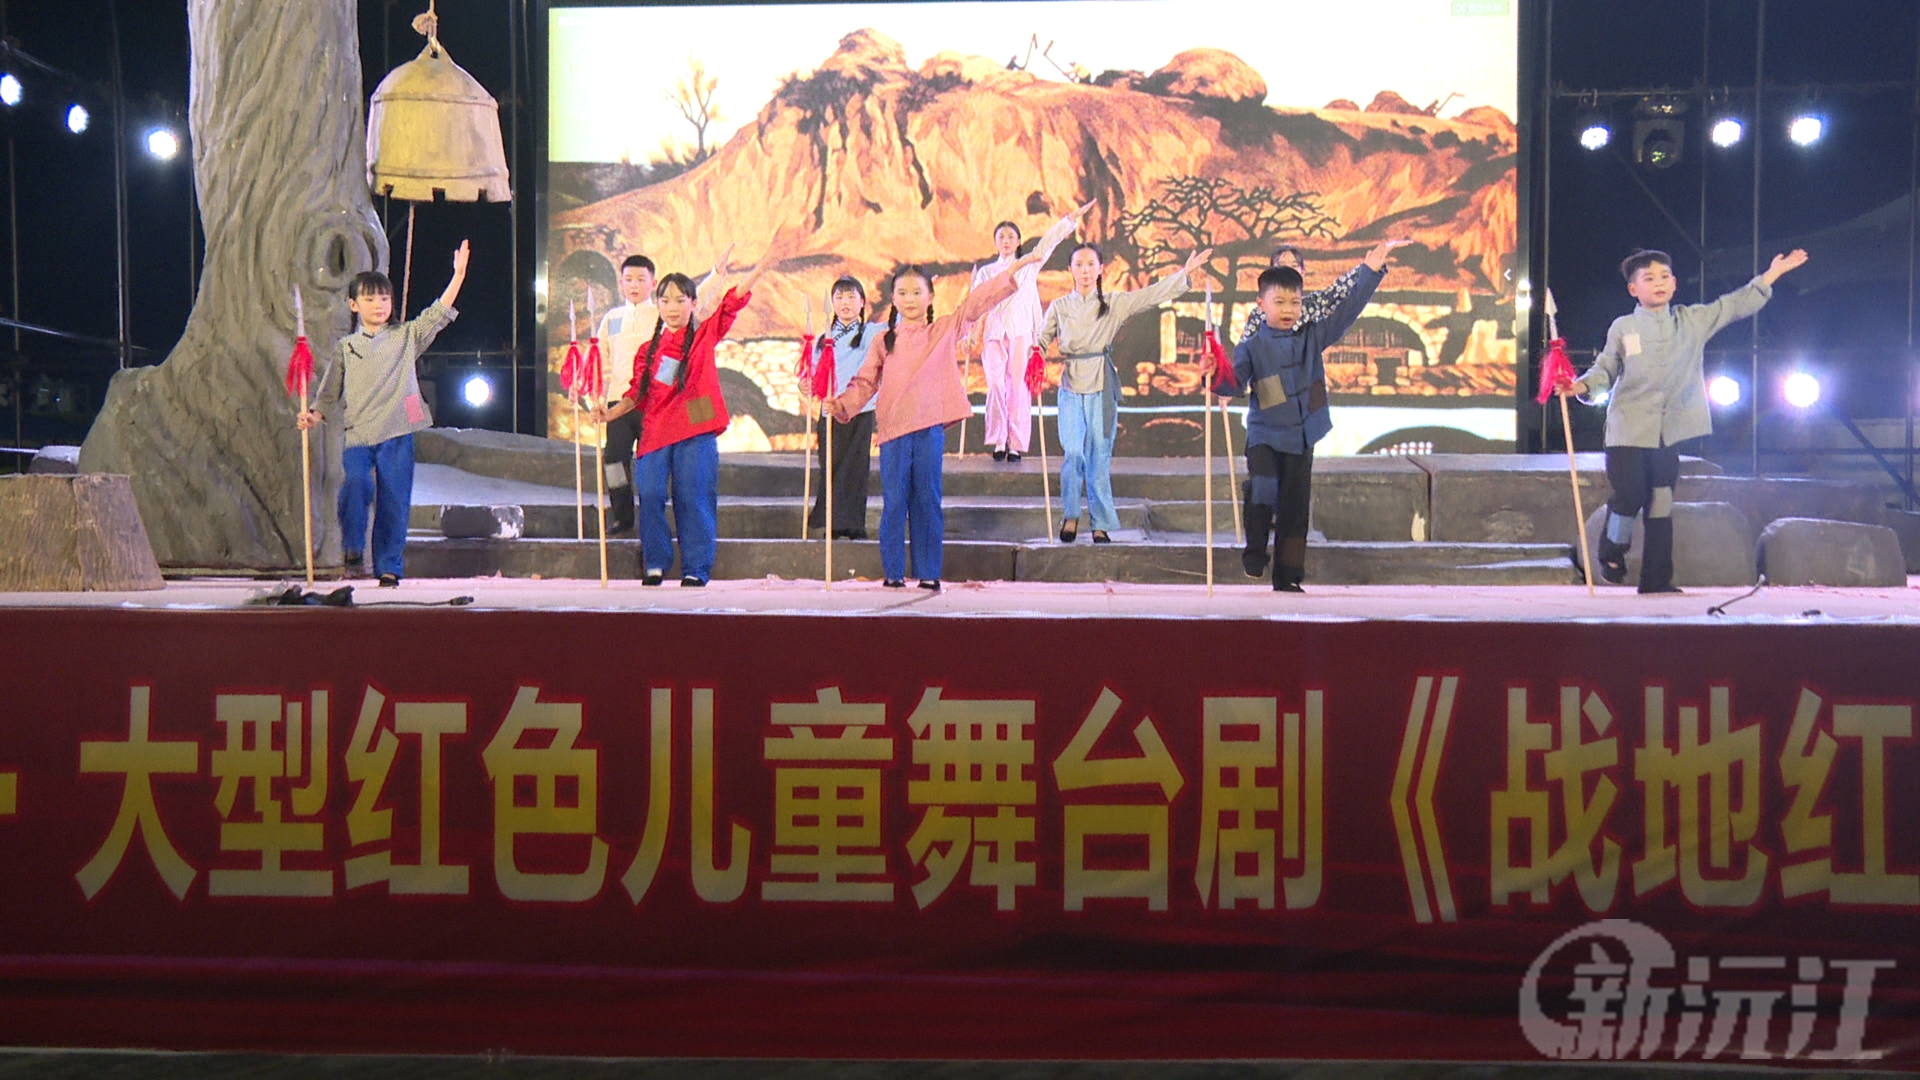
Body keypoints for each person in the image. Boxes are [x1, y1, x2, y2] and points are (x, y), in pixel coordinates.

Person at [1561, 246, 1809, 593]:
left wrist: (1773, 274)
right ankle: (1612, 552)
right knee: (1630, 494)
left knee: (1661, 502)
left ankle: (1657, 579)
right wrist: (1581, 386)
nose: (1658, 283)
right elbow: (1605, 369)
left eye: (1664, 276)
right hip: (1627, 429)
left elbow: (1733, 305)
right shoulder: (1624, 327)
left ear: (1675, 283)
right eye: (1649, 278)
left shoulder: (1692, 321)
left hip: (1669, 431)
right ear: (1633, 289)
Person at [827, 255, 1040, 590]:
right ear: (893, 298)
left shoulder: (942, 330)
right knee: (894, 503)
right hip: (894, 432)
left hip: (928, 431)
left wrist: (1008, 274)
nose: (910, 299)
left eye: (917, 292)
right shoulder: (883, 341)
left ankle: (929, 572)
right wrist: (840, 404)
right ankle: (893, 573)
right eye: (902, 293)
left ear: (930, 296)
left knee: (927, 500)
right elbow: (864, 383)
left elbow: (974, 305)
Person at [1214, 240, 1406, 592]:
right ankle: (1255, 552)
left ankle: (1287, 576)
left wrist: (1371, 270)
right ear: (1261, 304)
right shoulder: (1252, 345)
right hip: (1265, 432)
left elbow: (1348, 308)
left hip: (1303, 433)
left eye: (1295, 302)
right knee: (1263, 487)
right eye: (1279, 302)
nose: (1288, 309)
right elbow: (1233, 382)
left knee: (1295, 508)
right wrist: (1214, 376)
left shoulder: (1312, 336)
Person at [298, 241, 470, 588]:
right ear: (353, 304)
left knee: (394, 501)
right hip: (359, 433)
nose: (379, 305)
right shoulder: (347, 347)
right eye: (370, 299)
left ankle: (389, 566)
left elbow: (437, 314)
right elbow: (330, 390)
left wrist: (459, 275)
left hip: (397, 431)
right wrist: (314, 415)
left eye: (384, 299)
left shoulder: (405, 337)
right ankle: (353, 547)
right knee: (356, 483)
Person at [594, 257, 767, 586]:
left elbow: (730, 304)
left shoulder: (703, 335)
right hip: (657, 427)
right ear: (658, 304)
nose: (672, 307)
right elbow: (636, 393)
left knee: (694, 496)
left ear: (693, 303)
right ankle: (655, 563)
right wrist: (609, 413)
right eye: (666, 301)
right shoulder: (647, 348)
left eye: (679, 300)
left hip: (696, 425)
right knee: (650, 493)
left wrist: (758, 270)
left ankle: (696, 568)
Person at [1036, 243, 1211, 543]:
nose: (1085, 271)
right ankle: (1071, 514)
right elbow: (1041, 340)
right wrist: (1035, 359)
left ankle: (1100, 522)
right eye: (1079, 264)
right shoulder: (1059, 306)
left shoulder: (1113, 303)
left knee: (1099, 454)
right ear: (1070, 269)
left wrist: (1183, 274)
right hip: (1070, 385)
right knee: (1073, 452)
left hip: (1101, 385)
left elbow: (1149, 296)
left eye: (1091, 264)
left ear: (1101, 269)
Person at [966, 201, 1094, 462]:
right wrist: (970, 333)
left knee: (1018, 387)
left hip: (1021, 332)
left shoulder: (1029, 264)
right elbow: (974, 304)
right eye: (1001, 237)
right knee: (995, 384)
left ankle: (1014, 443)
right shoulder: (986, 272)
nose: (1006, 241)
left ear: (1018, 241)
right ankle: (998, 439)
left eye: (1010, 236)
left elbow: (1048, 242)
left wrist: (1069, 220)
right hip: (994, 333)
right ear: (995, 242)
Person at [807, 277, 885, 539]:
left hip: (860, 411)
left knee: (856, 468)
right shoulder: (823, 339)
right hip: (829, 412)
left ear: (862, 303)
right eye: (840, 297)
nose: (845, 303)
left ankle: (853, 525)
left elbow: (898, 325)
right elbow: (813, 375)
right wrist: (806, 385)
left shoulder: (872, 333)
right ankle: (832, 523)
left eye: (851, 297)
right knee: (831, 466)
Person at [593, 255, 657, 536]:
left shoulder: (660, 316)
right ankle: (622, 516)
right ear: (620, 283)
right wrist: (594, 394)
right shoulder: (612, 318)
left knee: (650, 463)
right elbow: (599, 359)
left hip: (651, 401)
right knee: (614, 460)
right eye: (629, 280)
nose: (634, 285)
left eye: (641, 280)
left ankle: (652, 517)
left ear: (653, 283)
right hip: (617, 403)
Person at [1240, 244, 1361, 342]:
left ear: (1303, 273)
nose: (1288, 272)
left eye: (1293, 266)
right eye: (1282, 266)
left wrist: (1368, 269)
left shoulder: (1312, 306)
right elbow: (1244, 355)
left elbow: (1337, 290)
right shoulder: (1260, 313)